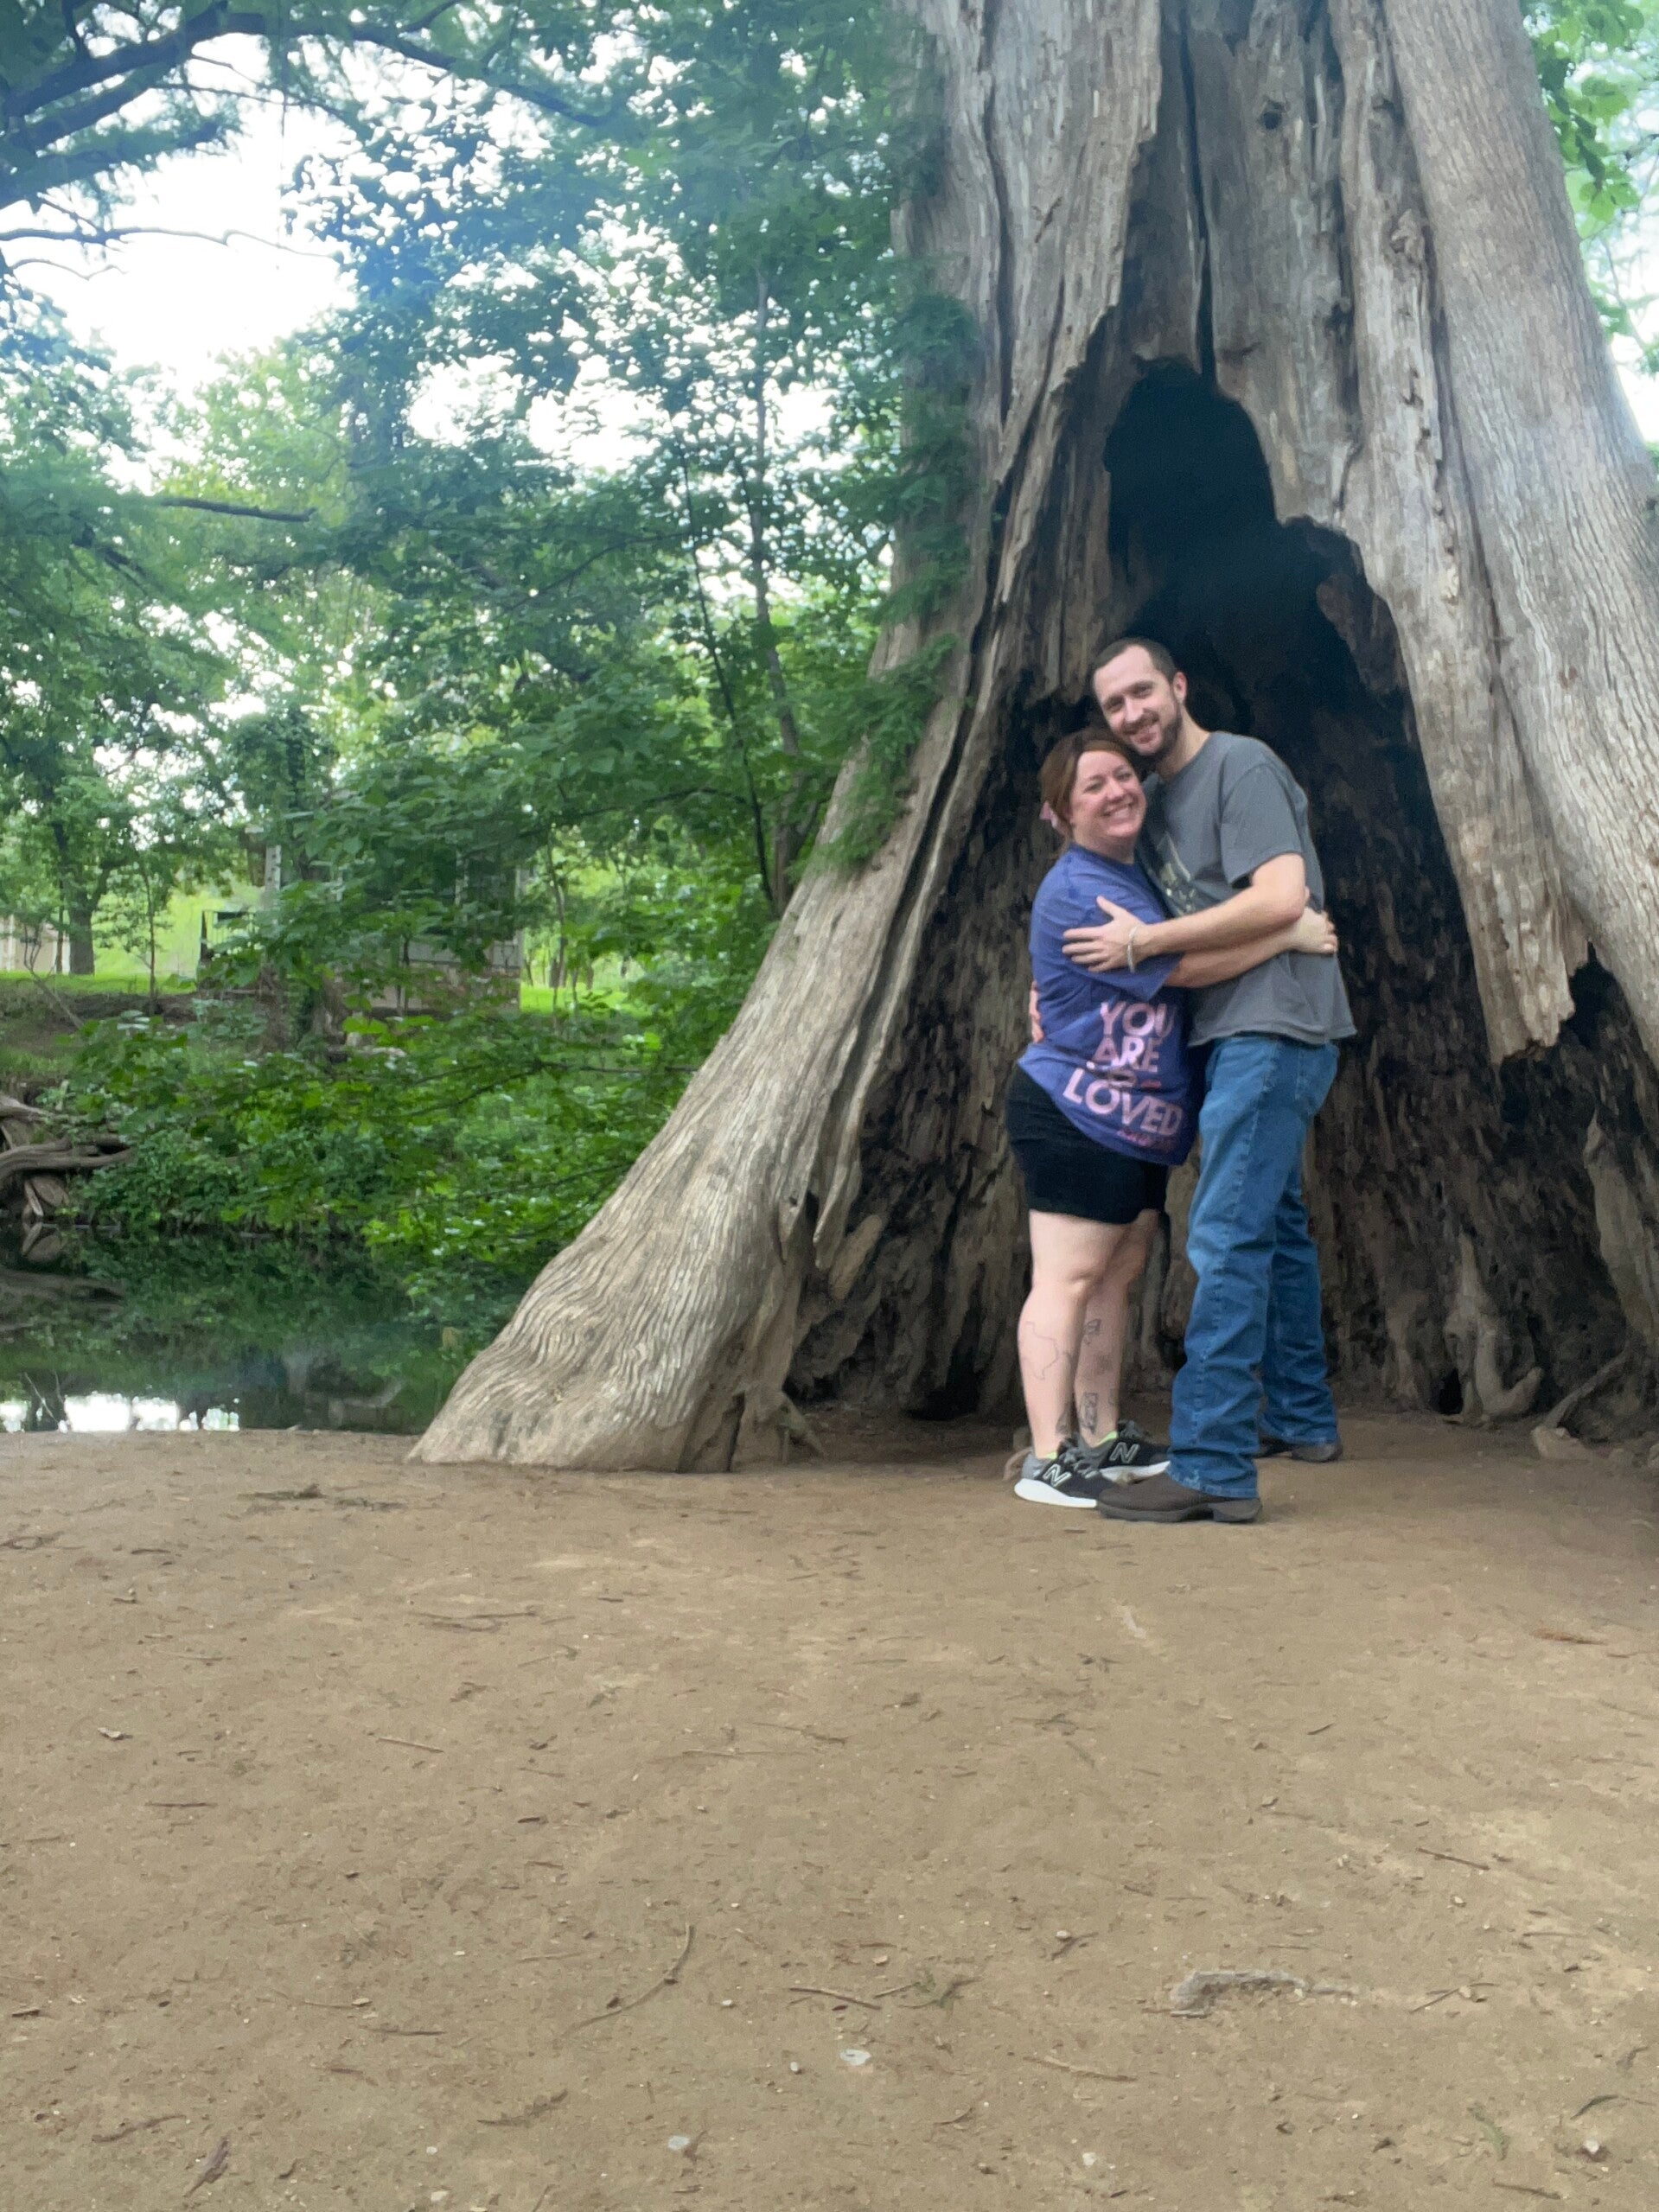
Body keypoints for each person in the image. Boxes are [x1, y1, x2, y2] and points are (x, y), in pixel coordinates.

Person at [1062, 638, 1355, 1525]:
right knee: (1276, 1226)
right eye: (1114, 705)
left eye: (1141, 692)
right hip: (1224, 1032)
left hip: (1275, 1026)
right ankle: (1300, 1417)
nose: (1132, 713)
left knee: (1224, 1234)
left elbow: (1280, 895)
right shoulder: (1146, 805)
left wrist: (1144, 943)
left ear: (1177, 686)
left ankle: (1213, 1462)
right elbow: (1160, 962)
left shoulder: (1239, 765)